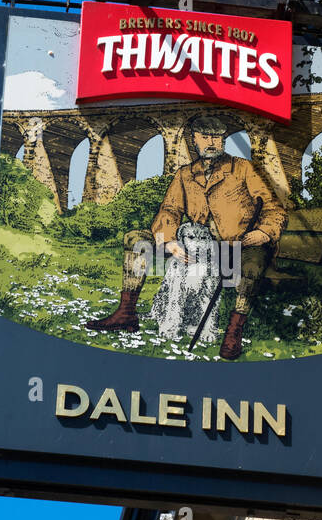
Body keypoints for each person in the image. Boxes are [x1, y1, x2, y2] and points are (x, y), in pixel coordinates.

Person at [85, 113, 287, 359]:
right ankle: (126, 312)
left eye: (217, 137)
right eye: (205, 137)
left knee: (253, 265)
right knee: (136, 240)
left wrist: (264, 232)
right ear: (194, 140)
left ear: (223, 141)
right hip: (191, 242)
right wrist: (169, 241)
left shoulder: (242, 169)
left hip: (235, 244)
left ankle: (234, 328)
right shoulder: (185, 174)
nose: (211, 142)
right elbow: (170, 210)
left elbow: (272, 206)